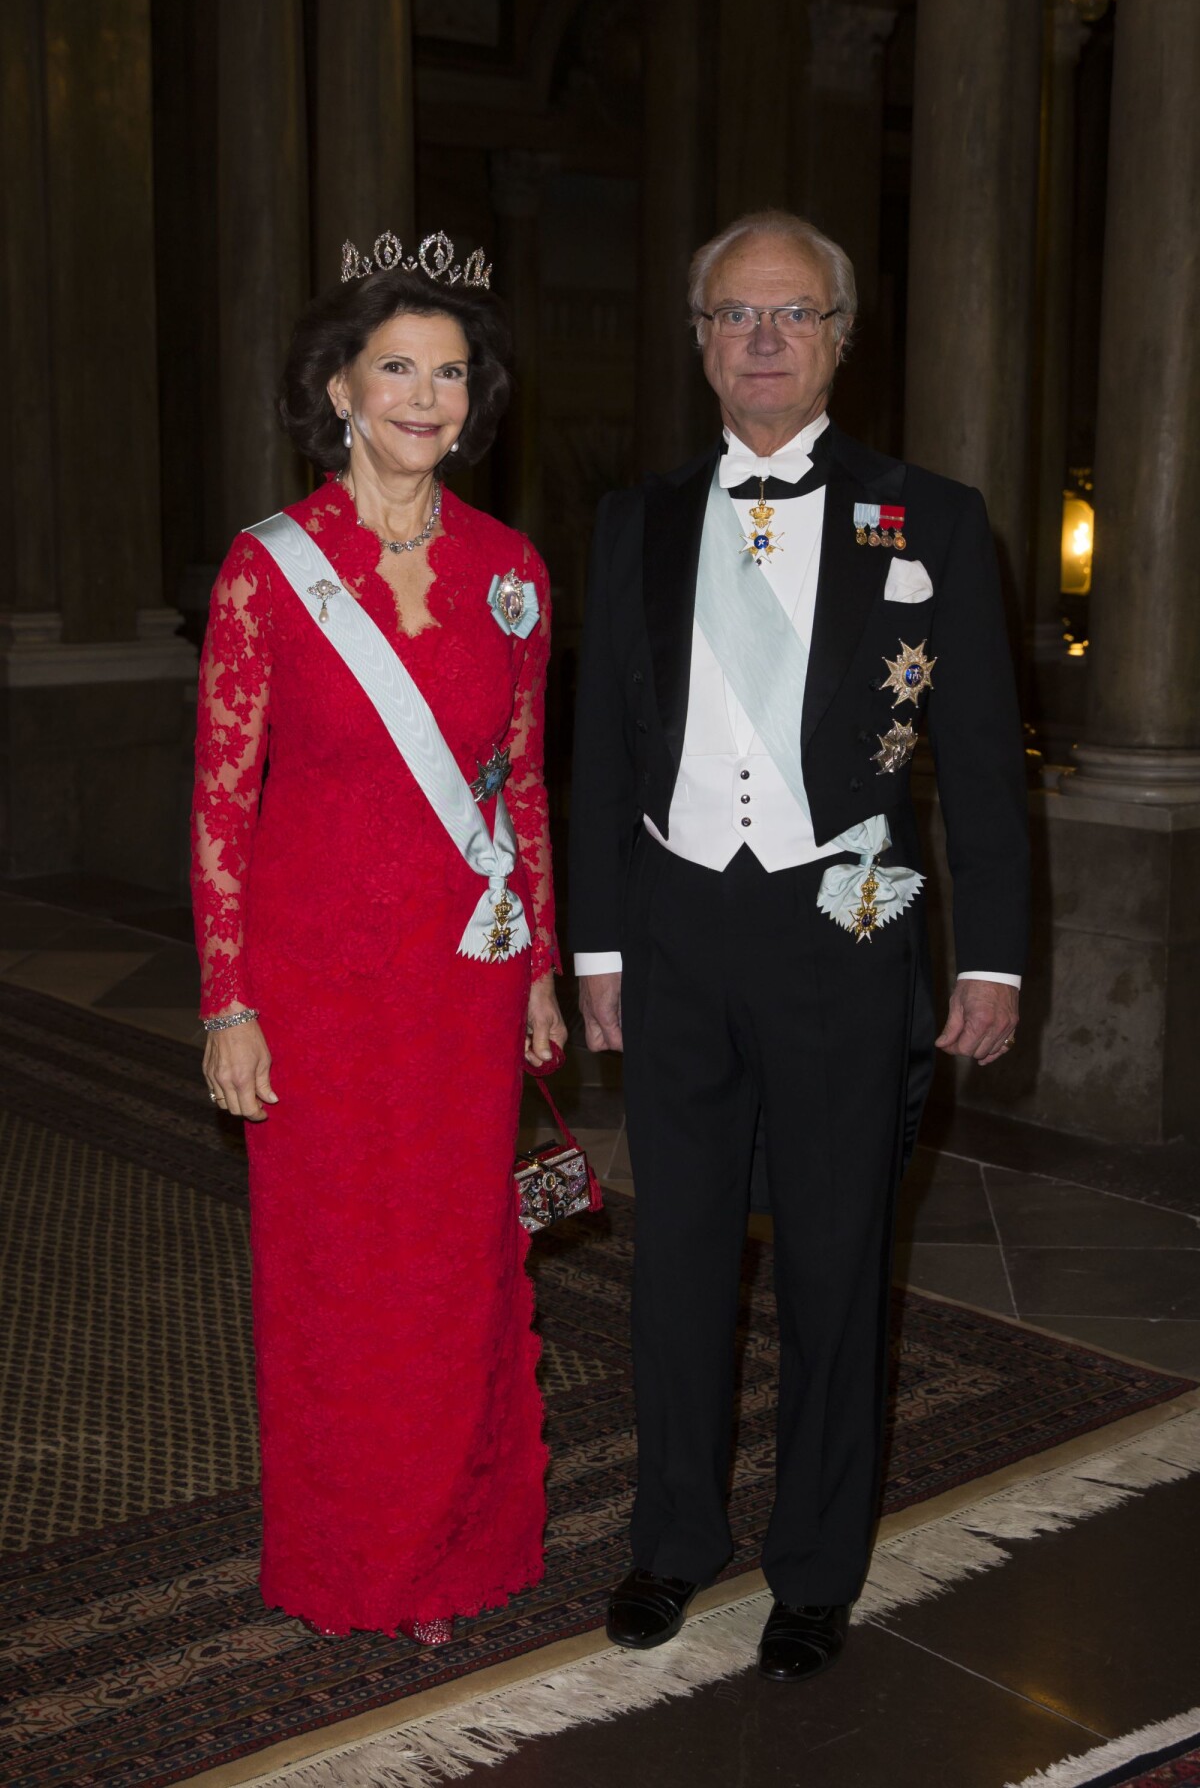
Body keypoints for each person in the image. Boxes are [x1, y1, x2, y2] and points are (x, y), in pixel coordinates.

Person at [569, 210, 1028, 1682]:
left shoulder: (932, 518)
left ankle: (818, 1566)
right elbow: (591, 758)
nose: (762, 338)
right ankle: (675, 1541)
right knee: (681, 1262)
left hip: (851, 923)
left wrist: (995, 956)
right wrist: (593, 949)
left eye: (793, 313)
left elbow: (975, 760)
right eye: (734, 315)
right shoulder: (632, 521)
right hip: (675, 927)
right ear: (699, 342)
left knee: (837, 1264)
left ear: (839, 337)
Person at [191, 228, 567, 1644]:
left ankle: (455, 1553)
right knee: (340, 1281)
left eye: (452, 374)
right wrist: (228, 999)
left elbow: (522, 783)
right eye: (396, 368)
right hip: (318, 988)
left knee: (455, 1269)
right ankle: (360, 1559)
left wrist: (535, 964)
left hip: (460, 984)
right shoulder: (268, 571)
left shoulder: (511, 567)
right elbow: (223, 800)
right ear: (339, 387)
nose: (426, 397)